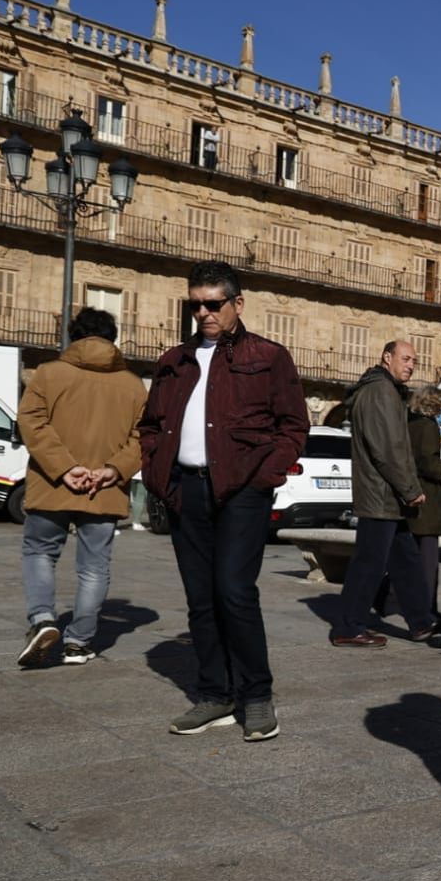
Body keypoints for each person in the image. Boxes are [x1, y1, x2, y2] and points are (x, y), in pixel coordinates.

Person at [140, 261, 308, 741]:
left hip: (242, 491)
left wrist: (264, 476)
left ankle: (256, 696)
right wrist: (157, 473)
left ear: (237, 304)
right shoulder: (175, 360)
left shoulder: (269, 356)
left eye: (213, 304)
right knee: (200, 600)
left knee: (234, 592)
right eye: (195, 304)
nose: (204, 313)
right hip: (184, 489)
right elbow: (151, 424)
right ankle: (215, 695)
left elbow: (293, 426)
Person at [15, 307, 148, 668]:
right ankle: (78, 643)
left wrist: (66, 468)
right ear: (112, 338)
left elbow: (32, 422)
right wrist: (110, 471)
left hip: (51, 483)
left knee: (40, 552)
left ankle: (43, 620)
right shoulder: (133, 385)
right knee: (94, 568)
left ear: (74, 335)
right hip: (103, 490)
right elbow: (143, 439)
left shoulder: (49, 373)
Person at [332, 340, 438, 647]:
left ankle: (421, 621)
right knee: (369, 564)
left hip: (388, 497)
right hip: (382, 495)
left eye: (414, 361)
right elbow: (388, 449)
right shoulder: (380, 392)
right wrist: (410, 490)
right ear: (386, 357)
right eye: (405, 359)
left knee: (405, 561)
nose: (410, 365)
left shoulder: (387, 390)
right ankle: (348, 627)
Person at [404, 383, 441, 629]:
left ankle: (390, 597)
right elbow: (428, 463)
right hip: (427, 499)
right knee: (428, 562)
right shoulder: (427, 426)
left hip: (412, 495)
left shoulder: (409, 423)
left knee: (413, 557)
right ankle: (427, 614)